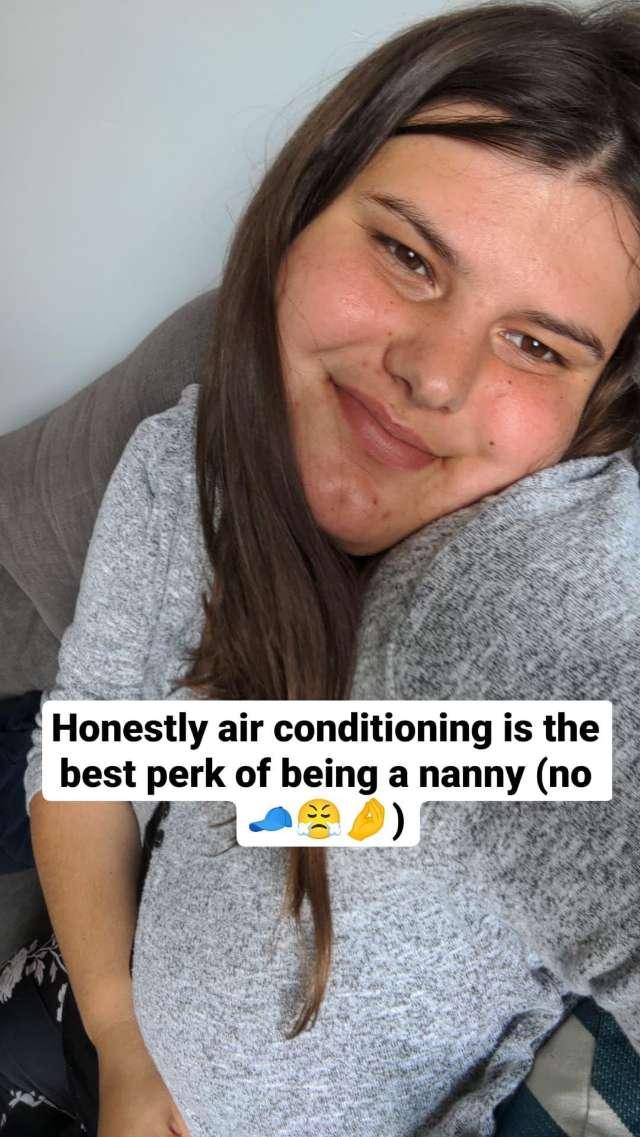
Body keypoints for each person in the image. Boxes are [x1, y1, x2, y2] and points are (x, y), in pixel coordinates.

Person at [2, 0, 640, 1134]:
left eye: (537, 344)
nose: (434, 375)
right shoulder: (181, 465)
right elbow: (87, 760)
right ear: (300, 208)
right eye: (408, 255)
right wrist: (120, 1035)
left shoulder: (549, 584)